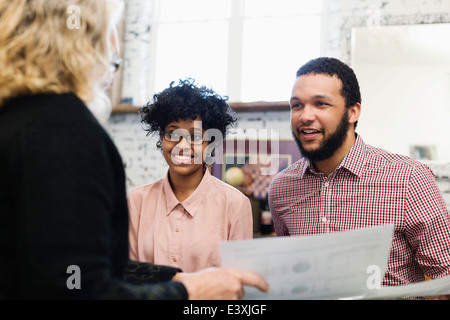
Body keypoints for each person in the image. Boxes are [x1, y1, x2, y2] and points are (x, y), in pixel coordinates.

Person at [0, 0, 268, 299]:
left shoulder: (15, 121)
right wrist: (188, 290)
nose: (114, 55)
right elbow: (81, 288)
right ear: (84, 43)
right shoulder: (63, 132)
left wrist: (178, 279)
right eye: (111, 35)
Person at [268, 57, 450, 299]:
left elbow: (445, 275)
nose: (304, 116)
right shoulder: (282, 188)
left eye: (320, 104)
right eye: (296, 105)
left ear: (353, 112)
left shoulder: (408, 178)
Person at [128, 79, 253, 272]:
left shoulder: (234, 204)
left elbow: (238, 282)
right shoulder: (137, 202)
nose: (182, 146)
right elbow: (129, 277)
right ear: (162, 138)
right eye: (172, 133)